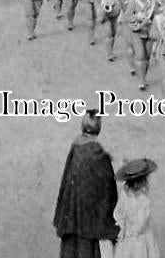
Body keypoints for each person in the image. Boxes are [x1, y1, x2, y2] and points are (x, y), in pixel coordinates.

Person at [53, 110, 120, 258]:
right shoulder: (98, 154)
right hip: (90, 218)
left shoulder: (76, 147)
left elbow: (67, 179)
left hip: (72, 214)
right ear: (98, 129)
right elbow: (108, 187)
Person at [113, 158, 160, 258]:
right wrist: (132, 231)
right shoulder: (145, 200)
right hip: (140, 240)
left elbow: (117, 213)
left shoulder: (124, 195)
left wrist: (123, 227)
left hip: (127, 239)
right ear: (143, 181)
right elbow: (141, 223)